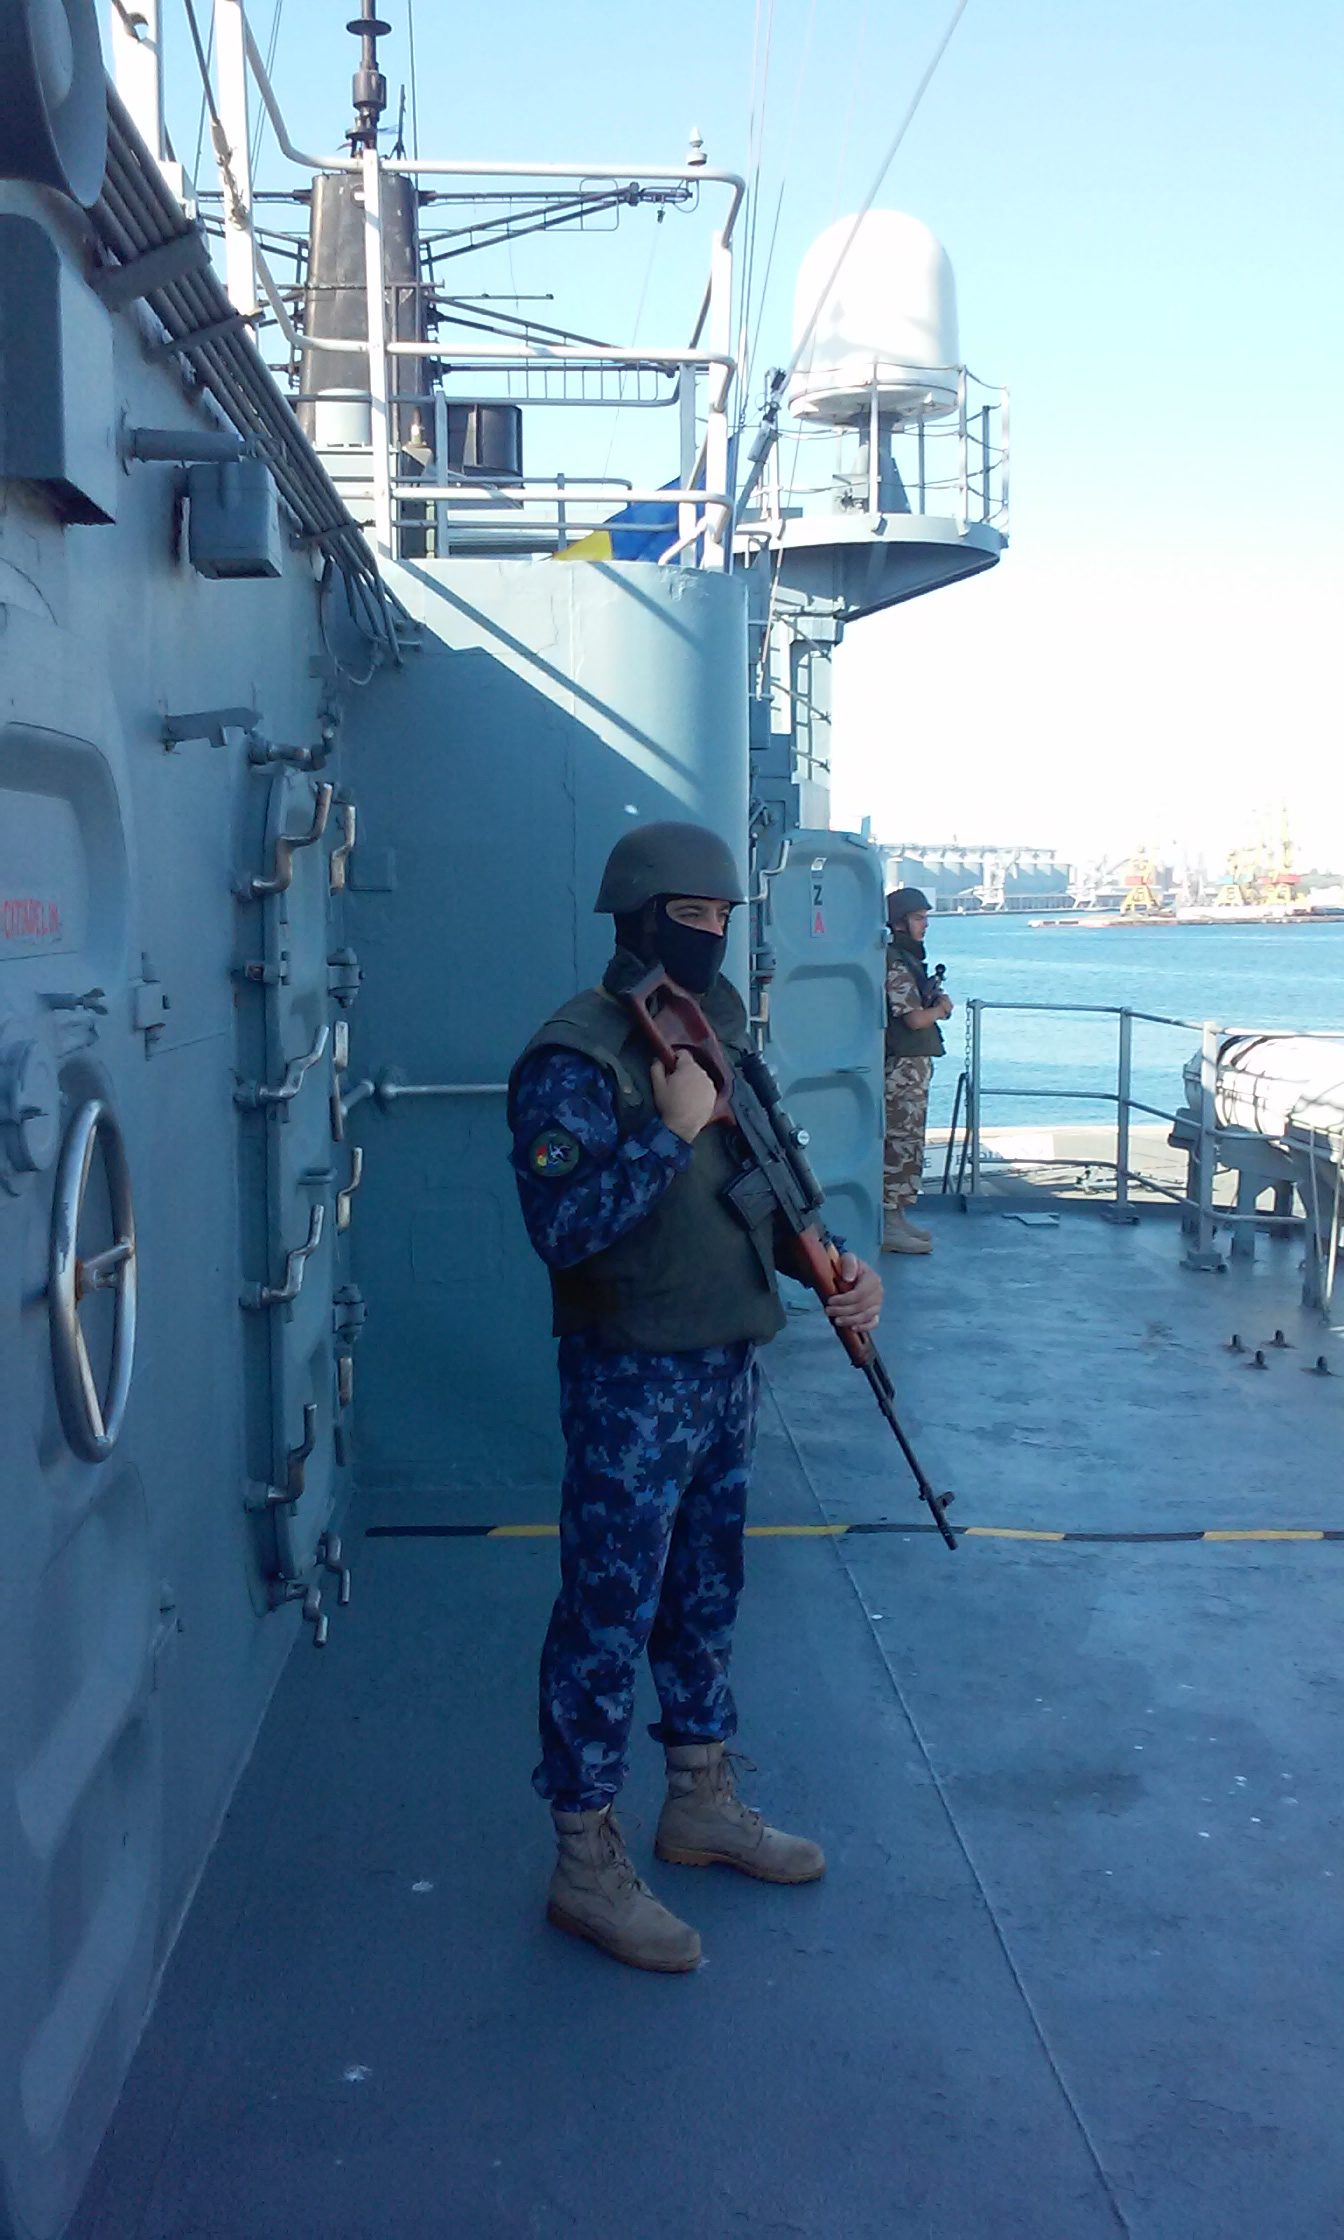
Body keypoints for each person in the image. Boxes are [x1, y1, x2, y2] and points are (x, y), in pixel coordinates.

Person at [508, 820, 884, 1974]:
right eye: (692, 914)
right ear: (638, 919)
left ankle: (699, 1796)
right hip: (632, 1374)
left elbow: (756, 1193)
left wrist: (832, 1268)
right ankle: (584, 1856)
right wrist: (669, 1133)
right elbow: (562, 1228)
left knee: (706, 1590)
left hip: (725, 1366)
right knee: (607, 1612)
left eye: (724, 916)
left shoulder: (714, 1029)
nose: (710, 934)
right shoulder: (577, 1057)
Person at [882, 886, 953, 1255]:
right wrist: (940, 1009)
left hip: (911, 1068)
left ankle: (897, 1214)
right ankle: (888, 1221)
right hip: (902, 1069)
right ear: (899, 922)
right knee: (899, 1141)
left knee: (908, 1142)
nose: (924, 925)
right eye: (918, 918)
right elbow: (912, 1019)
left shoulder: (905, 959)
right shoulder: (895, 962)